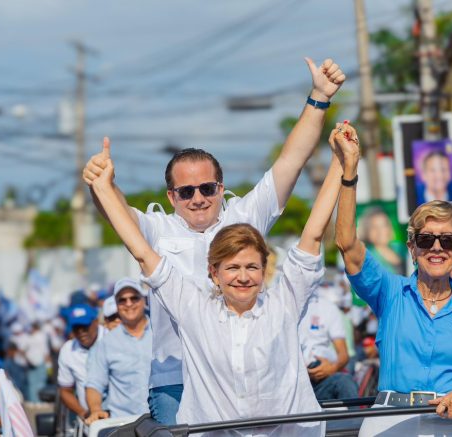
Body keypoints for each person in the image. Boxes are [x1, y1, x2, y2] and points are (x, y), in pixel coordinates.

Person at [82, 56, 345, 426]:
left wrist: (318, 98)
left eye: (207, 188)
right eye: (186, 191)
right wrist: (101, 185)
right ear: (171, 196)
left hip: (250, 370)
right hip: (175, 379)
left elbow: (291, 161)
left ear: (221, 188)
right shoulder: (158, 228)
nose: (198, 198)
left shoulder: (245, 217)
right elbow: (120, 218)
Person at [334, 125, 452, 432]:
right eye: (426, 240)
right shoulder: (390, 292)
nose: (436, 248)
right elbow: (346, 243)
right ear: (411, 248)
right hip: (390, 419)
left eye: (446, 241)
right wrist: (350, 169)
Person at [85, 279, 152, 424]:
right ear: (116, 305)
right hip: (124, 425)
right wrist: (96, 409)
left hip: (164, 424)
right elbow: (94, 384)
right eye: (122, 300)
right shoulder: (106, 344)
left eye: (134, 298)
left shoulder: (162, 334)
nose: (128, 304)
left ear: (143, 300)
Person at [299, 292, 358, 402]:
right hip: (293, 376)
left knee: (345, 382)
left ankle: (354, 418)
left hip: (320, 375)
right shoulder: (278, 303)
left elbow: (344, 354)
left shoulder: (327, 307)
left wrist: (332, 368)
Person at [57, 304, 104, 420]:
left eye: (85, 326)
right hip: (91, 422)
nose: (81, 332)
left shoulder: (112, 338)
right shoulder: (68, 350)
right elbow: (65, 391)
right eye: (76, 328)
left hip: (121, 417)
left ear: (96, 322)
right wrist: (83, 413)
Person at [358, 207, 404, 275]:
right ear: (366, 231)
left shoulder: (401, 247)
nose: (381, 231)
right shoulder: (366, 259)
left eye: (384, 225)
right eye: (374, 227)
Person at [16, 321, 50, 403]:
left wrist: (27, 358)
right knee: (36, 384)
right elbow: (46, 353)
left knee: (36, 384)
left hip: (38, 363)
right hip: (35, 363)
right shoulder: (32, 337)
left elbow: (21, 350)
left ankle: (37, 402)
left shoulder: (36, 337)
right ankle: (37, 402)